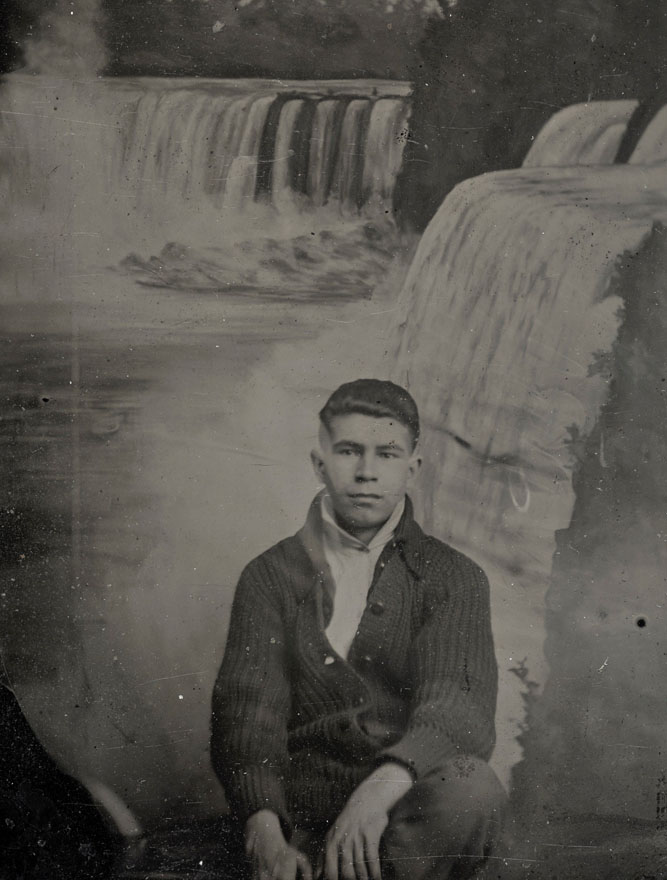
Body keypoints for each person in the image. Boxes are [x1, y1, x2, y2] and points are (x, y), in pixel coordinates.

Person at [211, 379, 507, 880]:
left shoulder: (452, 576)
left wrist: (375, 795)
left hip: (399, 811)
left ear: (412, 468)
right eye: (349, 451)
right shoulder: (268, 576)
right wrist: (264, 833)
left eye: (387, 454)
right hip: (298, 818)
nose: (367, 473)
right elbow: (248, 716)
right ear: (319, 462)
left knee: (472, 788)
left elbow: (458, 709)